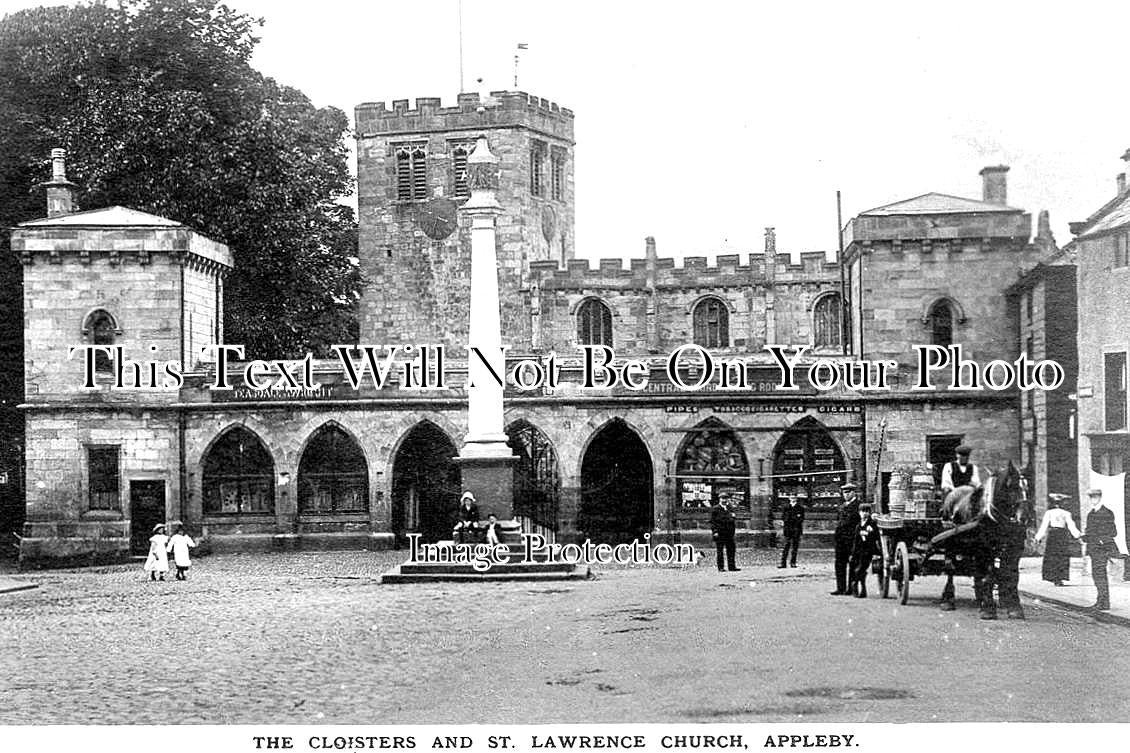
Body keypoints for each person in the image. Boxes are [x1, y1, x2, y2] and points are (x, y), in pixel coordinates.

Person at [1081, 488, 1119, 611]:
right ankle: (1101, 601)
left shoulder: (1107, 512)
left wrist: (1101, 540)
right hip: (1093, 548)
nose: (1093, 500)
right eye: (1091, 497)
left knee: (1100, 575)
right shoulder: (1091, 513)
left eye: (1095, 497)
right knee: (1097, 575)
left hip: (1102, 549)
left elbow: (1113, 532)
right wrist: (1085, 538)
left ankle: (1103, 602)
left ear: (1100, 497)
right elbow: (1090, 531)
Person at [1034, 493, 1081, 586]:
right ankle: (1059, 578)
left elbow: (1044, 526)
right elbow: (1071, 526)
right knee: (1061, 556)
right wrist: (1078, 535)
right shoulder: (1067, 513)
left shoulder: (1049, 513)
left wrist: (1038, 537)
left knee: (1052, 556)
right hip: (1062, 535)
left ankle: (1053, 577)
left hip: (1053, 535)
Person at [831, 482, 860, 595]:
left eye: (848, 492)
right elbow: (839, 522)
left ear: (854, 493)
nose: (846, 495)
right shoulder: (842, 506)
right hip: (840, 539)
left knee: (853, 563)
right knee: (839, 563)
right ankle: (840, 588)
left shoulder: (859, 506)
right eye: (844, 493)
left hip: (852, 538)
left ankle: (851, 588)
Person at [848, 503, 881, 597]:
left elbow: (876, 536)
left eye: (867, 511)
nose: (864, 514)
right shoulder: (858, 525)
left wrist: (870, 532)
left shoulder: (872, 524)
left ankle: (854, 584)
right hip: (859, 550)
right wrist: (853, 553)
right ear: (859, 513)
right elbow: (855, 540)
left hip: (868, 550)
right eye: (863, 511)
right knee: (860, 569)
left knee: (861, 568)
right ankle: (863, 589)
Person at [710, 496, 739, 572]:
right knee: (720, 551)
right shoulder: (715, 508)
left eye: (726, 498)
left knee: (731, 550)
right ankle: (721, 567)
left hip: (729, 533)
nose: (724, 500)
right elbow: (713, 522)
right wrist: (715, 532)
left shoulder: (729, 507)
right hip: (720, 532)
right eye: (723, 498)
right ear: (719, 499)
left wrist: (732, 517)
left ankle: (732, 566)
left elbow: (733, 518)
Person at [778, 494, 806, 568]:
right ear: (789, 498)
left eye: (794, 497)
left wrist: (795, 520)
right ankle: (783, 563)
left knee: (795, 547)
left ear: (796, 499)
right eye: (791, 497)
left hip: (796, 529)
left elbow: (801, 519)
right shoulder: (786, 507)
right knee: (786, 546)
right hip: (788, 529)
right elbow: (783, 518)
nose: (793, 499)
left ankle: (793, 563)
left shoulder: (800, 508)